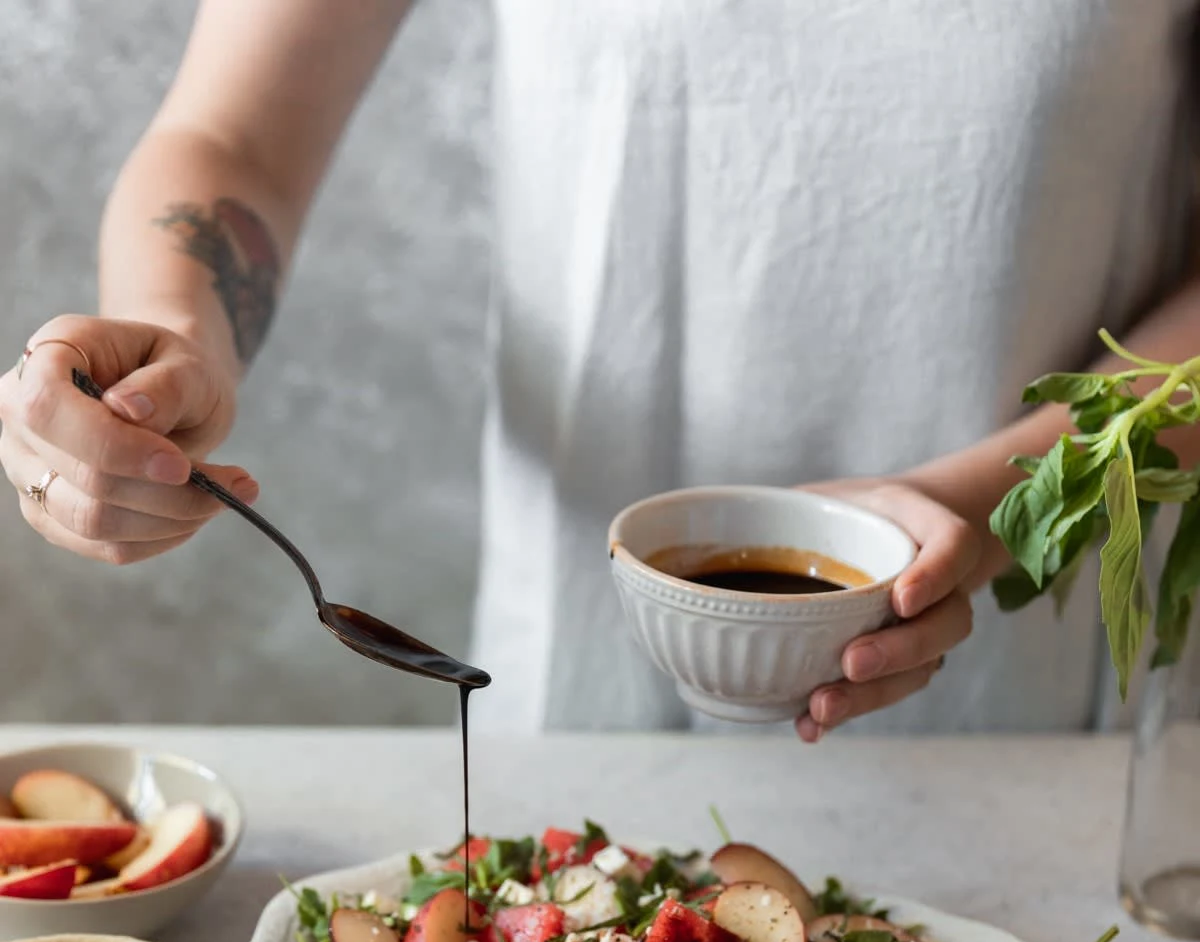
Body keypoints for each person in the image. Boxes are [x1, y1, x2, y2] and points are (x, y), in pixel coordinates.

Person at [3, 0, 1200, 738]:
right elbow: (236, 133)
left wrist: (996, 501)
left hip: (1034, 694)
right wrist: (175, 341)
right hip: (579, 678)